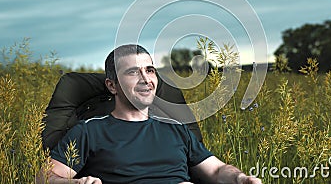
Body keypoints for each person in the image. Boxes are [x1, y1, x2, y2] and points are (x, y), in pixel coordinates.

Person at [37, 44, 262, 184]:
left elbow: (216, 170)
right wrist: (78, 183)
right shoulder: (88, 130)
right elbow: (44, 178)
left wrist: (240, 178)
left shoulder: (177, 129)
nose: (146, 79)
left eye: (150, 70)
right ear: (112, 86)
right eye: (133, 72)